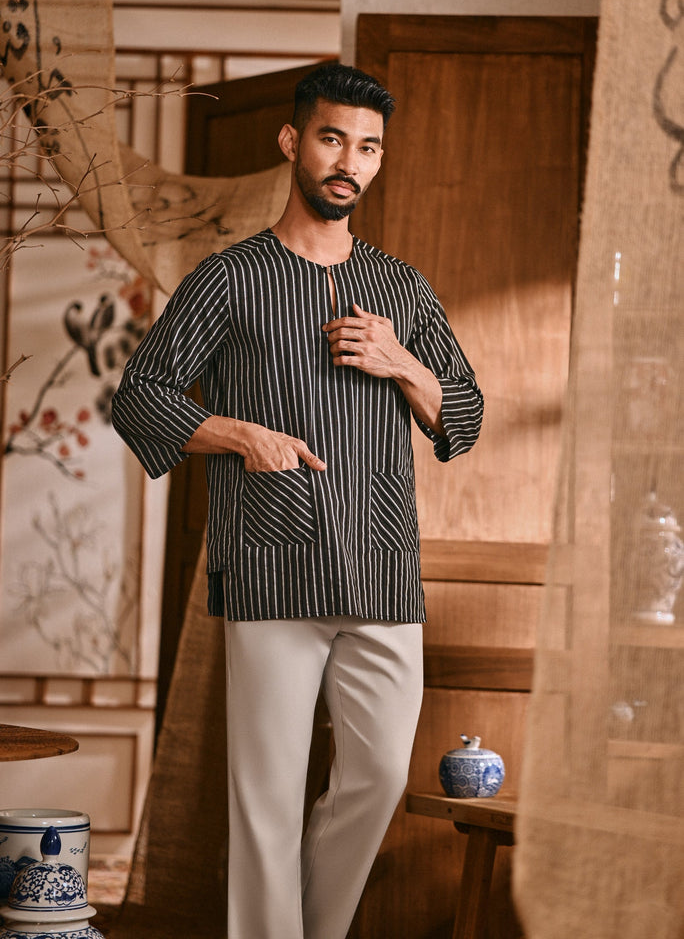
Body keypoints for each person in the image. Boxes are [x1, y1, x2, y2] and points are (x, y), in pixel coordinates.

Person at [111, 63, 483, 939]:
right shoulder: (228, 278)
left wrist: (402, 362)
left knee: (379, 778)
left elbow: (463, 415)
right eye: (332, 138)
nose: (350, 161)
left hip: (383, 569)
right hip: (272, 566)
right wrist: (239, 435)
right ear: (292, 142)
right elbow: (141, 398)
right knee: (266, 804)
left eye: (369, 147)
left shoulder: (402, 289)